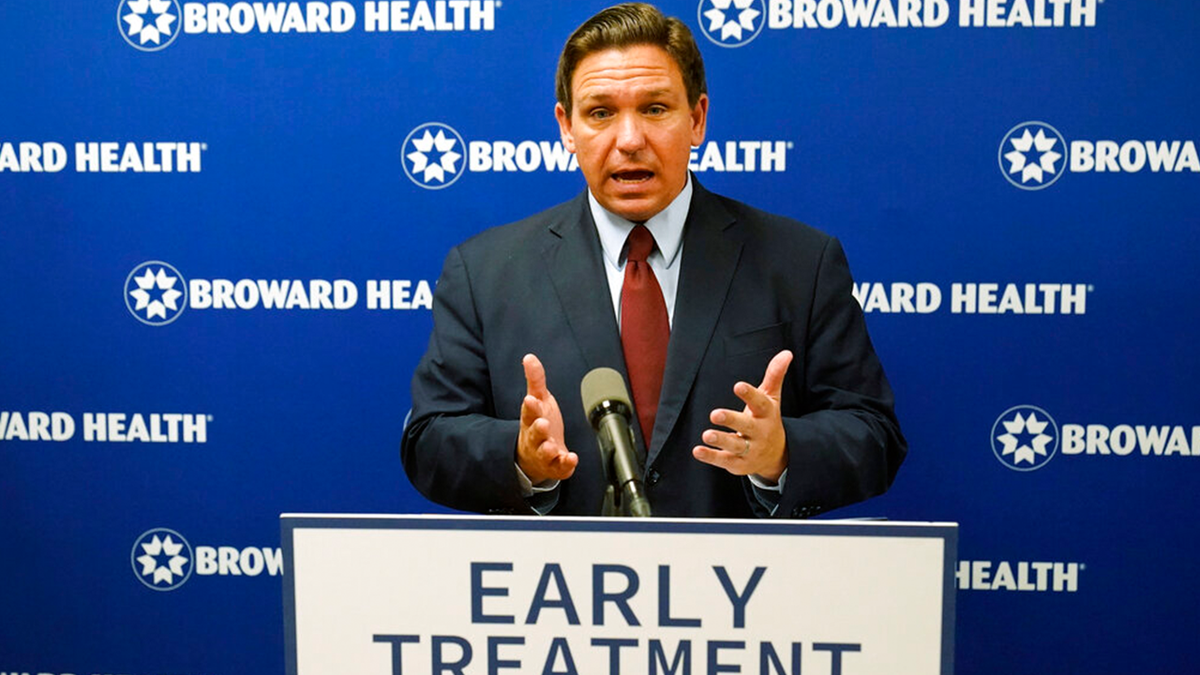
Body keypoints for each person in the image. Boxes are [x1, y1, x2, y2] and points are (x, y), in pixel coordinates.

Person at [400, 3, 905, 518]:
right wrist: (520, 457)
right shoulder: (484, 272)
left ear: (697, 119)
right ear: (566, 128)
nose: (629, 140)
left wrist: (781, 453)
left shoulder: (801, 262)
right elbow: (429, 439)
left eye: (655, 109)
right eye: (600, 113)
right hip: (562, 590)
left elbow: (875, 435)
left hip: (741, 590)